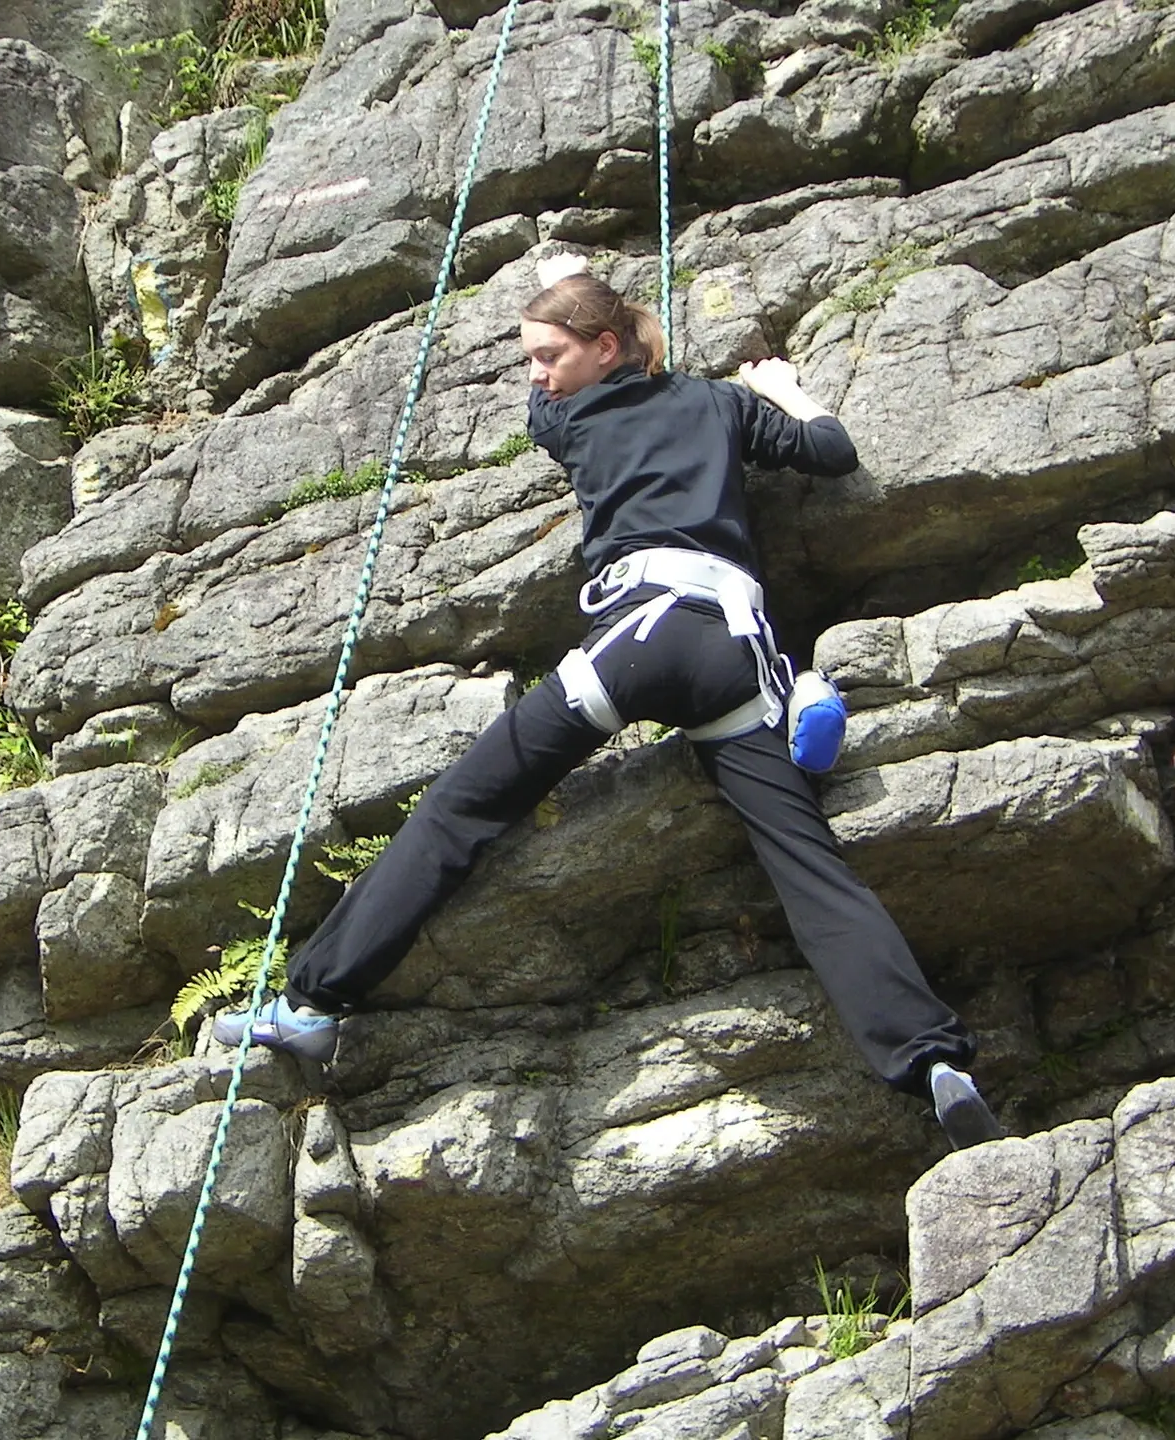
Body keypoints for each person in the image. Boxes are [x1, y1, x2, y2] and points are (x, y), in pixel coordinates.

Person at [214, 255, 1004, 1149]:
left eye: (548, 354)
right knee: (808, 866)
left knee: (462, 809)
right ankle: (933, 1060)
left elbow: (555, 395)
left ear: (601, 349)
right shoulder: (718, 403)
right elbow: (832, 453)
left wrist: (569, 271)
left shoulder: (573, 417)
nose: (537, 375)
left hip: (636, 639)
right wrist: (788, 390)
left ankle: (314, 1003)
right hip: (732, 651)